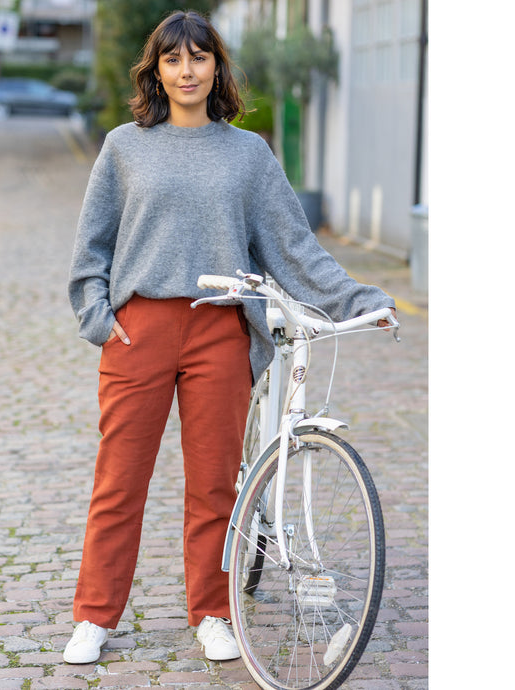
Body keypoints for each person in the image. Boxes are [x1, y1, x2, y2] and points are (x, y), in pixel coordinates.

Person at [63, 9, 396, 665]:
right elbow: (90, 248)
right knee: (118, 482)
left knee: (215, 486)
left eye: (199, 58)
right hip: (142, 329)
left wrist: (362, 299)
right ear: (156, 71)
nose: (187, 71)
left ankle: (213, 611)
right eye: (173, 60)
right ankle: (95, 616)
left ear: (216, 66)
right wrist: (102, 319)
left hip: (220, 328)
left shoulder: (248, 154)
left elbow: (296, 249)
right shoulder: (124, 147)